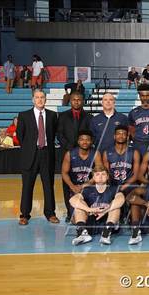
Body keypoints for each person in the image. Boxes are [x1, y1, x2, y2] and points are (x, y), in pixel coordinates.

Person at [16, 90, 59, 225]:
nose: (40, 100)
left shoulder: (52, 115)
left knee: (48, 185)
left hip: (47, 153)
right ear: (32, 100)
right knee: (27, 186)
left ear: (45, 99)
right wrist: (30, 148)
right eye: (37, 97)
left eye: (42, 97)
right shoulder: (24, 115)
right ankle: (24, 214)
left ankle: (50, 213)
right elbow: (20, 136)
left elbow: (53, 134)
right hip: (30, 155)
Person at [57, 91, 93, 221]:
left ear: (82, 101)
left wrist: (82, 148)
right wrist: (70, 149)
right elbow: (59, 135)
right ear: (70, 101)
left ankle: (85, 209)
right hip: (68, 153)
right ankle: (69, 212)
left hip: (85, 153)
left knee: (85, 181)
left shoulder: (89, 117)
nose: (76, 102)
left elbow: (90, 135)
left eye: (79, 99)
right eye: (74, 99)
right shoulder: (62, 116)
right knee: (67, 183)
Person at [69, 165, 125, 246]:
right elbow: (72, 200)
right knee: (79, 206)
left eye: (103, 174)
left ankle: (106, 234)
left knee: (116, 207)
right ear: (93, 178)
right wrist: (90, 210)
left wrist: (105, 210)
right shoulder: (87, 190)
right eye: (97, 174)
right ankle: (82, 233)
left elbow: (121, 199)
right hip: (91, 223)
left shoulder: (114, 189)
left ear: (107, 177)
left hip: (107, 221)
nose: (100, 177)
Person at [61, 130, 102, 220]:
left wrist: (84, 186)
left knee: (94, 216)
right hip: (75, 188)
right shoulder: (69, 154)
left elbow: (99, 174)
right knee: (75, 219)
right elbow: (64, 173)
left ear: (91, 142)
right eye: (82, 139)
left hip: (91, 187)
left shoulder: (96, 154)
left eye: (87, 140)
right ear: (78, 141)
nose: (85, 142)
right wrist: (72, 186)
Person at [103, 125, 140, 196]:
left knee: (136, 193)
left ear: (127, 137)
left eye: (123, 134)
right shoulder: (106, 152)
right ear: (114, 136)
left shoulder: (134, 152)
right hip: (113, 184)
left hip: (129, 183)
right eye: (118, 133)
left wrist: (123, 187)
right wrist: (114, 188)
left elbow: (136, 175)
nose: (121, 136)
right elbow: (106, 174)